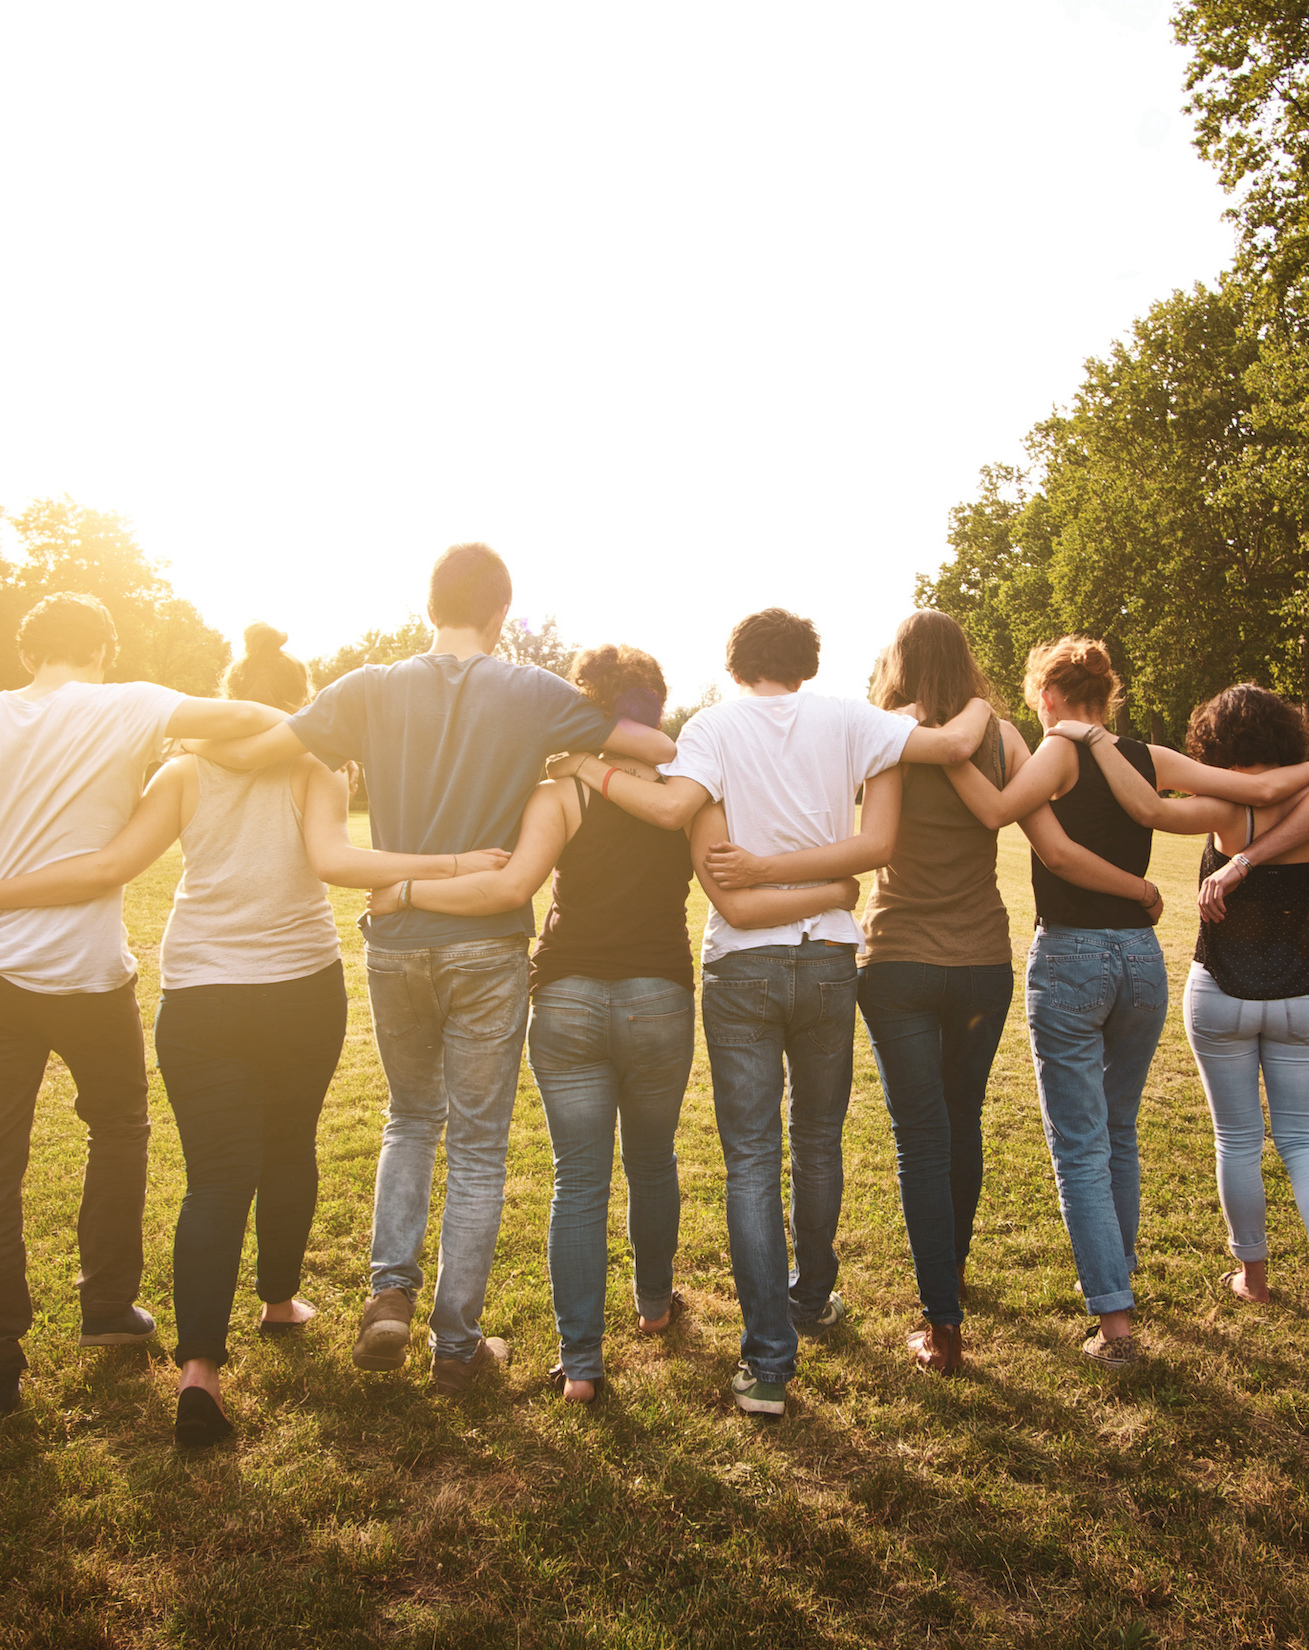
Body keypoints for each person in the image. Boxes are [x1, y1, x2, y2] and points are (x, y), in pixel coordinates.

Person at [190, 546, 674, 1397]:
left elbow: (256, 748)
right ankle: (456, 1346)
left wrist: (170, 719)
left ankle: (388, 1293)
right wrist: (578, 758)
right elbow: (657, 741)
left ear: (428, 608)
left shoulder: (365, 688)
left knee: (409, 1119)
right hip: (488, 941)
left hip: (395, 935)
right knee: (479, 1146)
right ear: (501, 612)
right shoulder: (531, 691)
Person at [0, 623, 499, 1443]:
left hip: (199, 995)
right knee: (290, 1144)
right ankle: (278, 1301)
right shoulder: (316, 766)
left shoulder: (182, 770)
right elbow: (335, 861)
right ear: (298, 705)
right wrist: (447, 865)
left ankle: (199, 1370)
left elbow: (117, 861)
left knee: (214, 1179)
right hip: (301, 988)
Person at [372, 643, 860, 1403]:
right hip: (657, 996)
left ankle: (581, 1365)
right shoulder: (686, 793)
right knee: (653, 1160)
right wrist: (832, 887)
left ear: (586, 707)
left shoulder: (560, 791)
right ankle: (655, 1306)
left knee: (578, 1182)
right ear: (655, 708)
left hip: (565, 996)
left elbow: (517, 882)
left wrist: (407, 891)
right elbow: (727, 880)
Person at [546, 607, 993, 1417]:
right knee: (817, 1142)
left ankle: (766, 1364)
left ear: (734, 662)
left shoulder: (710, 730)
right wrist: (972, 707)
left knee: (751, 1159)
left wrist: (592, 767)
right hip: (827, 957)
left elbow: (680, 822)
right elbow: (944, 754)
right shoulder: (853, 720)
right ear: (809, 662)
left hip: (740, 966)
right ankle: (812, 1297)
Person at [711, 611, 1169, 1376]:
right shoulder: (1004, 738)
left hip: (895, 964)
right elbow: (1046, 838)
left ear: (897, 664)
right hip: (982, 961)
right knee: (962, 1122)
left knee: (921, 1137)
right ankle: (949, 1275)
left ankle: (942, 1325)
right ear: (967, 665)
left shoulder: (881, 736)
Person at [945, 637, 1309, 1368]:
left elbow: (1007, 820)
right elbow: (1254, 792)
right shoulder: (1147, 756)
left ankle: (1114, 1322)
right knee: (1119, 1131)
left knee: (1080, 1145)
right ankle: (1121, 1273)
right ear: (1107, 696)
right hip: (1141, 960)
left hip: (1075, 954)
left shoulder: (1054, 751)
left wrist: (961, 742)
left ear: (1046, 696)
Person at [0, 593, 290, 1417]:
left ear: (30, 656)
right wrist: (193, 731)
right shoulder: (131, 703)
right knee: (120, 1127)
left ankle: (1, 1357)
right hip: (89, 973)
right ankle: (105, 1310)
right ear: (103, 651)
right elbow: (253, 713)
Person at [1045, 683, 1309, 1306]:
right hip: (1301, 995)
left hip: (1221, 990)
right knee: (1301, 1140)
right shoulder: (1301, 798)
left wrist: (1096, 740)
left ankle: (1254, 1278)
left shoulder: (1224, 809)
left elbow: (1148, 809)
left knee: (1237, 1141)